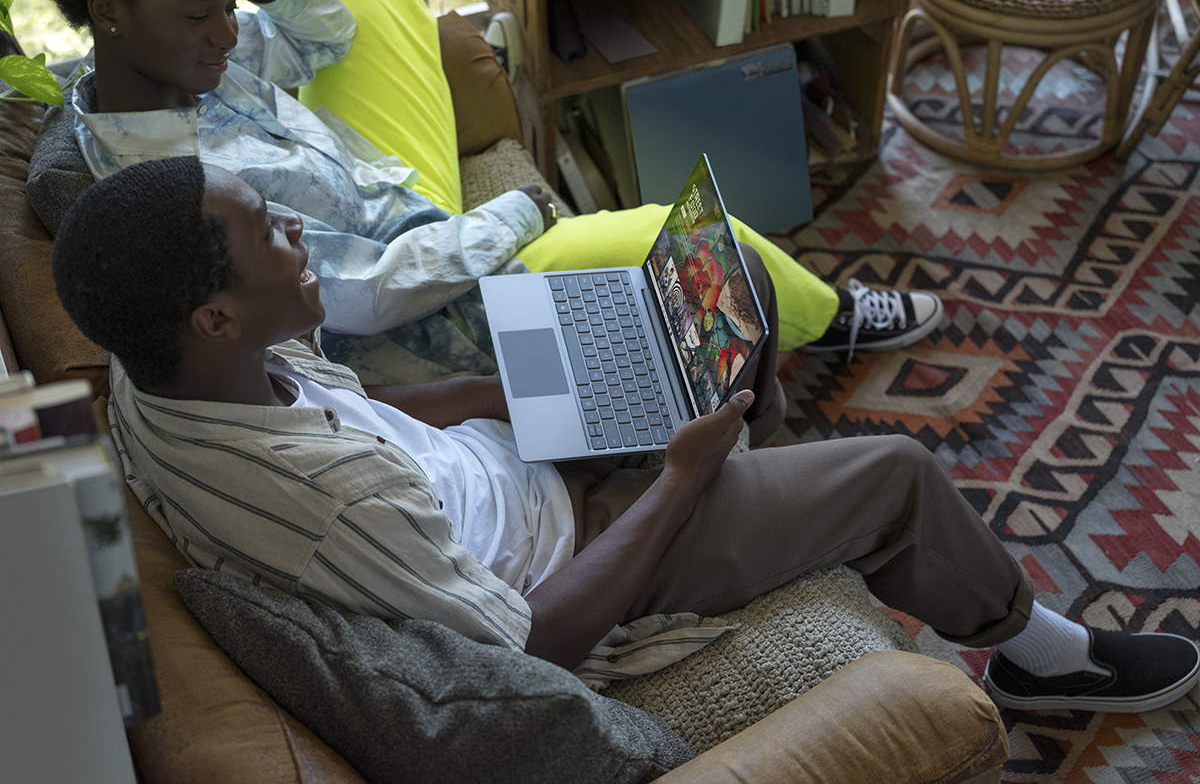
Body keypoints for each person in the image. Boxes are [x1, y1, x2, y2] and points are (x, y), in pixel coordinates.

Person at [52, 155, 1200, 714]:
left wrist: (499, 391)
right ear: (214, 312)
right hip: (581, 551)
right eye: (270, 234)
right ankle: (1038, 656)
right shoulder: (328, 498)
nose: (300, 233)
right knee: (897, 471)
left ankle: (757, 464)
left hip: (526, 462)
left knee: (721, 279)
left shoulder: (159, 376)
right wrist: (679, 481)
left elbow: (378, 415)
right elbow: (532, 641)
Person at [36, 0, 941, 391]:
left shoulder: (168, 66)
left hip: (387, 196)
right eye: (202, 16)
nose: (227, 36)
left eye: (225, 8)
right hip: (418, 303)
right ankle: (827, 318)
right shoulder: (176, 194)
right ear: (106, 13)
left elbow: (328, 36)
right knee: (681, 232)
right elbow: (363, 297)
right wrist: (515, 213)